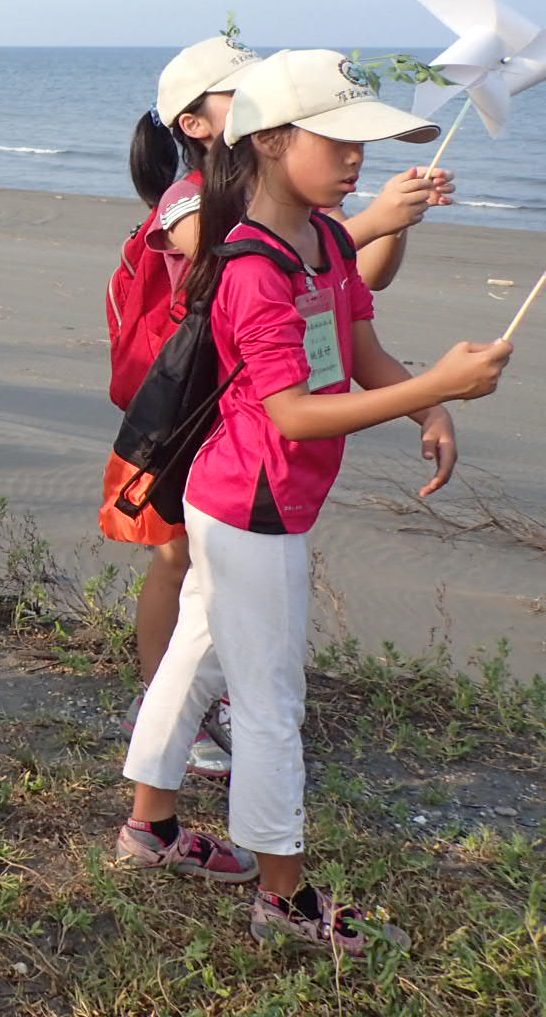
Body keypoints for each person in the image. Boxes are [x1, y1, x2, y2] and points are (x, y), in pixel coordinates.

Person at [116, 49, 509, 955]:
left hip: (252, 493)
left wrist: (432, 399)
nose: (355, 158)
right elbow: (292, 412)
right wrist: (430, 389)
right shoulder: (250, 263)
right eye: (336, 139)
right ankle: (284, 900)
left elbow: (358, 341)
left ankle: (151, 829)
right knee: (269, 701)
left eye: (361, 141)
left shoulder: (328, 238)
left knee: (198, 654)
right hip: (254, 504)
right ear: (270, 141)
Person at [119, 38, 453, 775]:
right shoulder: (194, 206)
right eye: (237, 91)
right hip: (202, 422)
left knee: (207, 600)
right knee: (177, 560)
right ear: (199, 124)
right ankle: (159, 701)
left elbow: (352, 286)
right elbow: (246, 267)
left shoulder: (302, 218)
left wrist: (391, 222)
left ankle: (163, 781)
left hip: (249, 417)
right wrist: (432, 388)